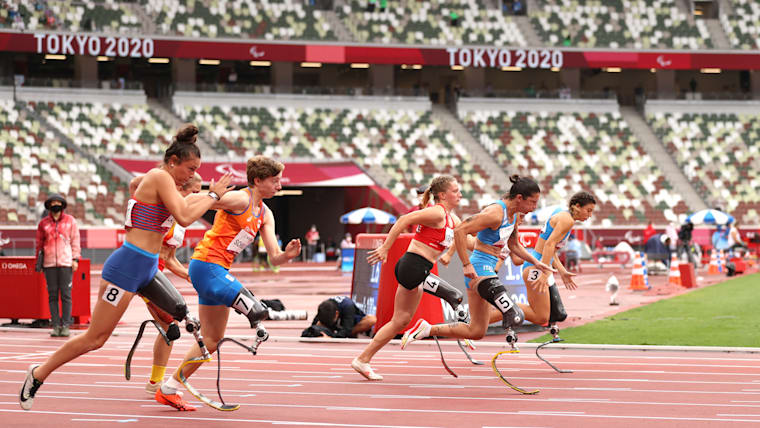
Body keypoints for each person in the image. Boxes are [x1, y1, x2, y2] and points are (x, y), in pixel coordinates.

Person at [19, 124, 235, 411]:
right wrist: (214, 195)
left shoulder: (164, 181)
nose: (193, 175)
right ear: (173, 161)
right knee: (96, 338)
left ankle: (164, 385)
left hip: (148, 269)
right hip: (127, 268)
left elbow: (144, 189)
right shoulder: (159, 176)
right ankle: (38, 373)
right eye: (190, 169)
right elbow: (184, 216)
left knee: (174, 323)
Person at [155, 155, 301, 411]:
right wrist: (211, 196)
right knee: (256, 308)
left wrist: (287, 255)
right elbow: (190, 202)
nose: (279, 186)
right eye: (275, 181)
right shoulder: (240, 199)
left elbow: (274, 256)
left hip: (218, 271)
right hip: (206, 265)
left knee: (212, 339)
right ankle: (263, 316)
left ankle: (169, 388)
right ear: (258, 180)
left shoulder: (265, 213)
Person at [399, 175, 554, 351]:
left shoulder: (514, 215)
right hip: (479, 268)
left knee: (476, 331)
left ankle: (427, 329)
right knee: (514, 314)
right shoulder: (495, 213)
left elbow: (514, 245)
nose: (534, 207)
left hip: (487, 270)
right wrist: (466, 264)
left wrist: (536, 262)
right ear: (519, 198)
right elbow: (459, 230)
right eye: (532, 202)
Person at [351, 175, 463, 381]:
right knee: (454, 296)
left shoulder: (452, 219)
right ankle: (429, 328)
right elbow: (403, 220)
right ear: (442, 195)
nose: (460, 194)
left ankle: (363, 359)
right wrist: (385, 248)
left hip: (418, 270)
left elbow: (466, 239)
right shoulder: (437, 212)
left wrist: (496, 248)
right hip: (413, 267)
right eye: (455, 191)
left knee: (400, 321)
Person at [130, 172, 203, 395]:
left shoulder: (181, 221)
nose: (198, 197)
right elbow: (134, 184)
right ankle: (155, 383)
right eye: (195, 192)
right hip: (141, 272)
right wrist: (163, 174)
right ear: (180, 189)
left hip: (156, 275)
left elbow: (169, 258)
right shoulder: (162, 210)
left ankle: (154, 382)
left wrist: (189, 276)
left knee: (168, 328)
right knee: (169, 326)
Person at [515, 192, 595, 331]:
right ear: (577, 206)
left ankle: (501, 308)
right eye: (588, 210)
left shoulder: (561, 213)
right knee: (540, 317)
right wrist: (544, 272)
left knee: (541, 317)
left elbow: (551, 250)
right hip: (537, 267)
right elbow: (549, 245)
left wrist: (562, 271)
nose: (590, 215)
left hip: (535, 265)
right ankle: (500, 308)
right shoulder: (567, 220)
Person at [35, 193, 81, 338]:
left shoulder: (70, 221)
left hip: (66, 262)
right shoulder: (43, 223)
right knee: (52, 296)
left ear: (62, 205)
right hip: (49, 264)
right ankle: (55, 325)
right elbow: (39, 244)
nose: (55, 205)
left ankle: (65, 326)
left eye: (58, 203)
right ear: (49, 206)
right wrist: (39, 262)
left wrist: (75, 259)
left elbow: (75, 241)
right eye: (53, 203)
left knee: (66, 295)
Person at [302, 296, 376, 338]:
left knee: (372, 320)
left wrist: (331, 337)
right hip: (335, 326)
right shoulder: (325, 307)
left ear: (337, 314)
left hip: (351, 325)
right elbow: (313, 326)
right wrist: (314, 332)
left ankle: (331, 333)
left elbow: (347, 330)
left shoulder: (348, 306)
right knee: (318, 324)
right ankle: (329, 331)